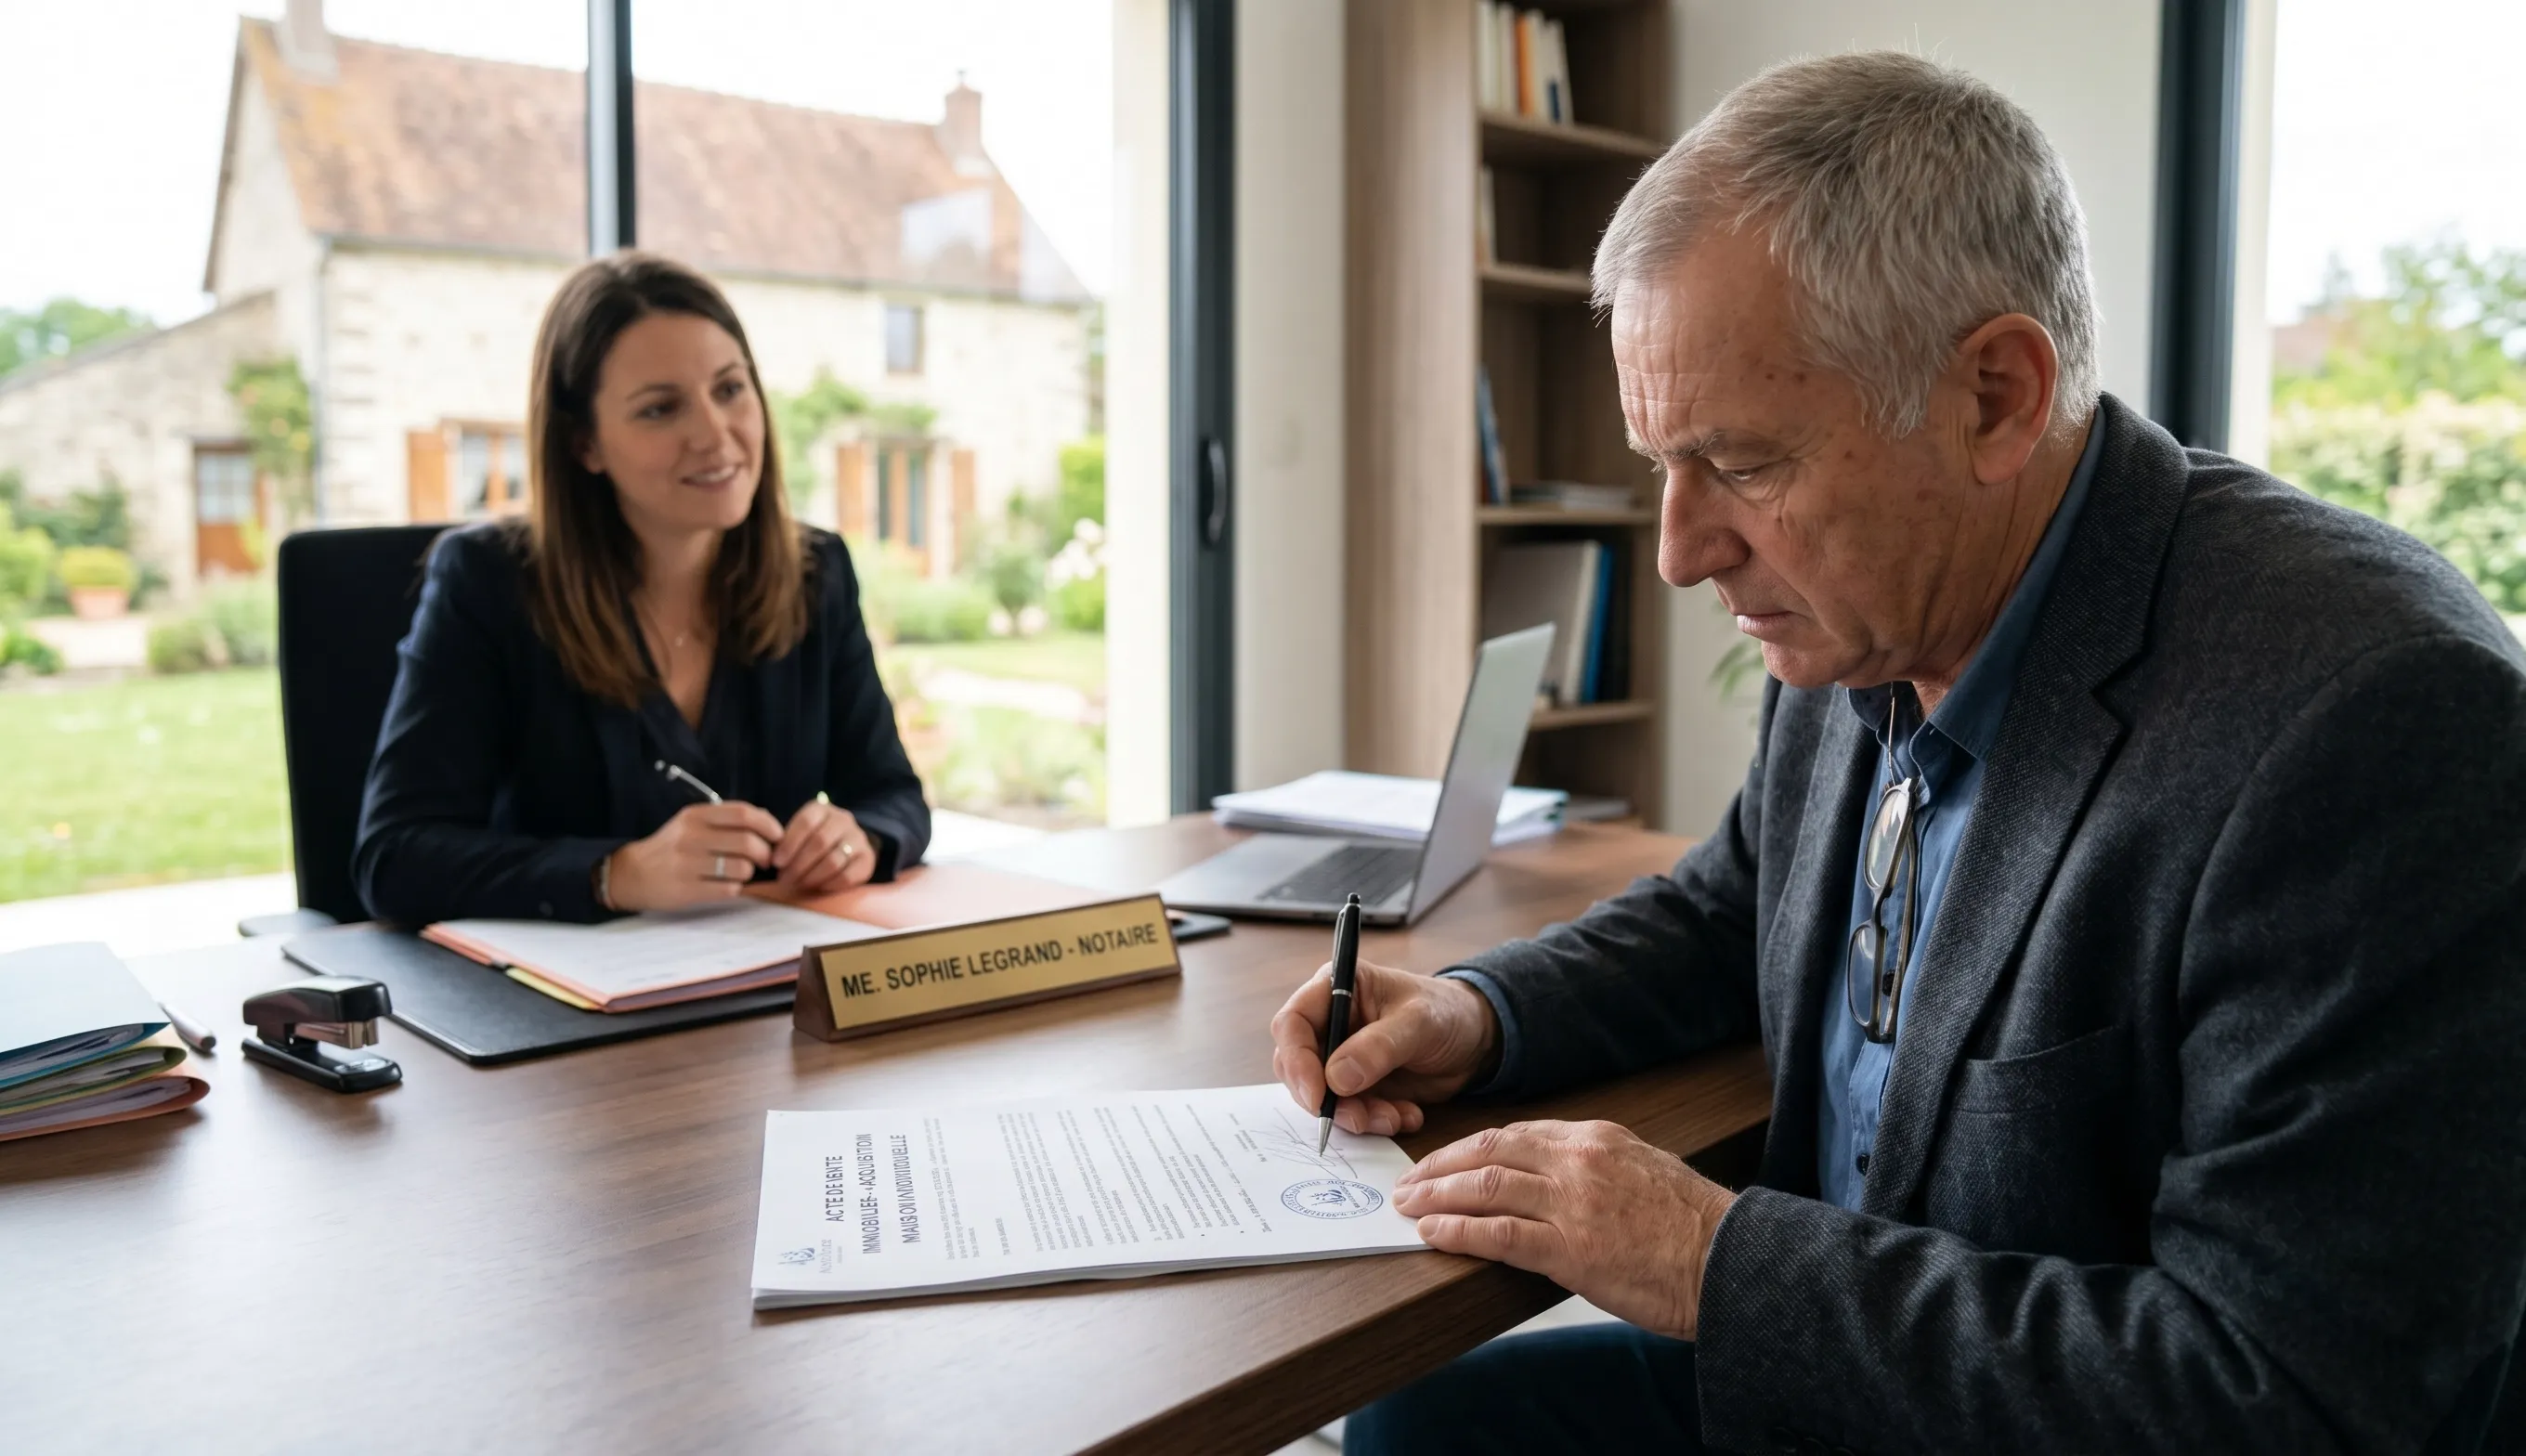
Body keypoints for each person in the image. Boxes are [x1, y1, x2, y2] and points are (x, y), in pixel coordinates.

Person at [1273, 52, 2526, 1455]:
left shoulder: (2372, 720)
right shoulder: (1869, 601)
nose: (1683, 552)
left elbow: (2291, 1400)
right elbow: (1734, 907)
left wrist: (1710, 1264)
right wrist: (1480, 1017)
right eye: (1662, 465)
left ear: (1995, 395)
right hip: (1860, 1382)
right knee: (1409, 1428)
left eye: (1741, 464)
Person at [356, 252, 930, 925]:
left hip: (769, 994)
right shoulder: (486, 583)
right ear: (585, 446)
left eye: (730, 390)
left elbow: (893, 796)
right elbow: (394, 858)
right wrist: (614, 874)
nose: (716, 436)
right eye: (660, 409)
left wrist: (860, 839)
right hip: (557, 1011)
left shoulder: (815, 571)